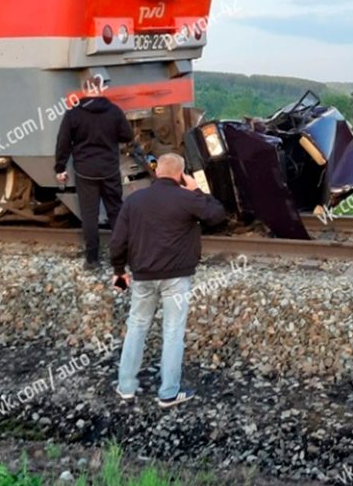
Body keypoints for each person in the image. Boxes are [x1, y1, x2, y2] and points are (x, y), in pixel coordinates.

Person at [109, 153, 227, 409]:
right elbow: (218, 216)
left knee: (137, 326)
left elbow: (117, 240)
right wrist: (198, 191)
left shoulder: (134, 200)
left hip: (142, 276)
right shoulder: (187, 198)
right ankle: (168, 393)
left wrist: (120, 270)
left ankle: (126, 387)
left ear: (157, 172)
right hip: (177, 277)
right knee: (173, 331)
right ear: (180, 174)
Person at [55, 78, 134, 270]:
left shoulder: (74, 113)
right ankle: (122, 257)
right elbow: (128, 135)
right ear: (100, 89)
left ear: (83, 90)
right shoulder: (114, 111)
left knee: (89, 215)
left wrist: (60, 168)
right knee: (116, 211)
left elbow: (63, 141)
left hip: (85, 171)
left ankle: (92, 259)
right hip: (109, 169)